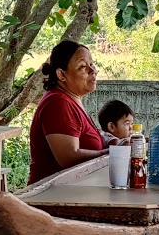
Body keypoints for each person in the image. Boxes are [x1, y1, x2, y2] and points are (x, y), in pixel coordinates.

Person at [27, 40, 106, 184]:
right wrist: (109, 154)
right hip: (51, 198)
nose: (92, 70)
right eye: (82, 66)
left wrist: (113, 142)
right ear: (62, 75)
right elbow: (68, 157)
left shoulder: (71, 99)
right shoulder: (58, 103)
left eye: (92, 64)